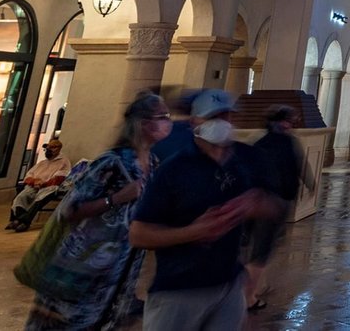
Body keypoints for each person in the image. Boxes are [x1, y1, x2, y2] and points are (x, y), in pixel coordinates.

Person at [129, 88, 286, 330]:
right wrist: (194, 232)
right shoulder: (174, 169)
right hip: (179, 289)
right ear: (194, 122)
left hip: (229, 284)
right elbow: (138, 234)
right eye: (212, 117)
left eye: (226, 116)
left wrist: (256, 203)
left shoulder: (248, 159)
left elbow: (276, 206)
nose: (221, 123)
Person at [21, 91, 170, 331]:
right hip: (82, 268)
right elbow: (70, 209)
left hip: (119, 272)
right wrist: (116, 199)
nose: (168, 122)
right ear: (143, 124)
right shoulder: (111, 162)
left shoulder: (153, 164)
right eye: (162, 116)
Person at [244, 106, 309, 312]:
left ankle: (255, 285)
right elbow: (299, 166)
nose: (292, 125)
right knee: (263, 247)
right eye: (291, 120)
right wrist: (309, 183)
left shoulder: (259, 141)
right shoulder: (287, 142)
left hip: (256, 198)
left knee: (255, 244)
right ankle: (249, 296)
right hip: (273, 200)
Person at [7, 137, 71, 231]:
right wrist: (34, 181)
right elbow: (29, 175)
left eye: (52, 147)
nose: (49, 150)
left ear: (58, 148)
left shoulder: (64, 162)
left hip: (49, 187)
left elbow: (60, 177)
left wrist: (43, 183)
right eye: (48, 147)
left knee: (39, 199)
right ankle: (17, 220)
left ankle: (24, 222)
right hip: (34, 185)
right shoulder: (42, 163)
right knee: (20, 197)